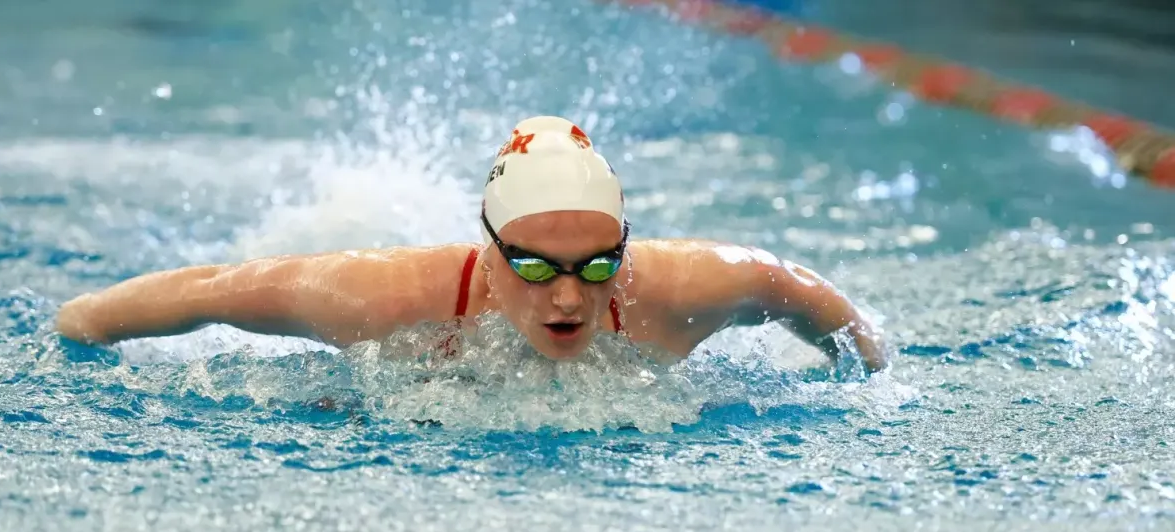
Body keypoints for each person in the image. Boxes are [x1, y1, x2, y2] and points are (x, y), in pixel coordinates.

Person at [55, 115, 888, 373]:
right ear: (488, 250)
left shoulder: (681, 290)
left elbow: (800, 290)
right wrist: (79, 326)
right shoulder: (381, 298)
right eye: (535, 266)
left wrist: (870, 376)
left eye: (599, 265)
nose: (569, 295)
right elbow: (211, 290)